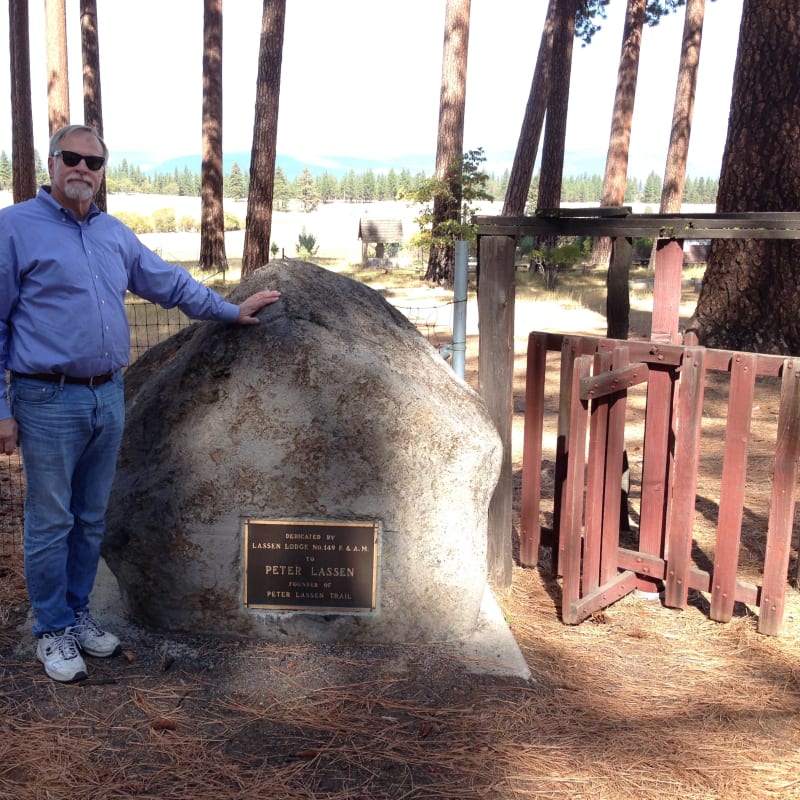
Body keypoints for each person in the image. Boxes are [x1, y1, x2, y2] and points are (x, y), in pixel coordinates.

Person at [0, 124, 281, 683]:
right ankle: (51, 630)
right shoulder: (13, 229)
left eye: (94, 162)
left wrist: (230, 310)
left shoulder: (114, 235)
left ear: (103, 172)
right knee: (50, 521)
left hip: (108, 395)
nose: (83, 169)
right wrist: (1, 409)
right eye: (72, 158)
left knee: (90, 518)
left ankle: (78, 615)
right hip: (45, 399)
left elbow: (168, 284)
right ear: (51, 163)